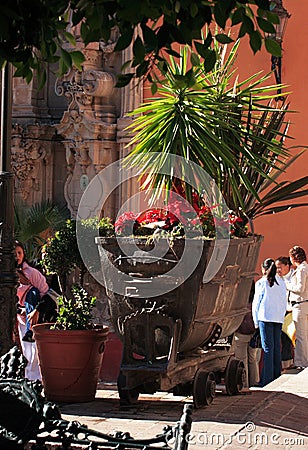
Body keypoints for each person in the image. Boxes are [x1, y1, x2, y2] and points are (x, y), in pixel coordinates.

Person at [15, 241, 52, 380]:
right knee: (26, 351)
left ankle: (36, 380)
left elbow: (46, 293)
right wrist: (21, 311)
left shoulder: (31, 273)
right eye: (14, 253)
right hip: (21, 318)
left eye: (19, 253)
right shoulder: (6, 274)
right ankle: (28, 379)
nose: (17, 256)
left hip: (35, 318)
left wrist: (36, 310)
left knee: (35, 350)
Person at [252, 258, 287, 387]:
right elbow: (284, 301)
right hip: (278, 318)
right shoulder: (281, 283)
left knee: (267, 349)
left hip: (265, 318)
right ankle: (276, 377)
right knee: (277, 348)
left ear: (263, 269)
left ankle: (266, 380)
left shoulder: (261, 283)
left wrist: (255, 321)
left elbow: (256, 303)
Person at [285, 246, 308, 368]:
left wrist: (287, 285)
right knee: (303, 335)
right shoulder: (304, 268)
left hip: (300, 304)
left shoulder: (301, 270)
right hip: (303, 304)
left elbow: (300, 288)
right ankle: (302, 360)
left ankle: (301, 362)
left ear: (294, 257)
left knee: (301, 336)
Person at [234, 282, 260, 388]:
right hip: (253, 334)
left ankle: (244, 384)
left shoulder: (239, 302)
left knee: (242, 359)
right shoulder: (255, 301)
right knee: (253, 360)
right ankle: (254, 382)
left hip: (241, 333)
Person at [275, 256, 295, 370]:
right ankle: (286, 366)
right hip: (281, 313)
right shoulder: (277, 279)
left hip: (293, 311)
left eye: (280, 267)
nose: (278, 270)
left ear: (287, 265)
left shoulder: (295, 276)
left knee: (296, 338)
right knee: (284, 340)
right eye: (276, 268)